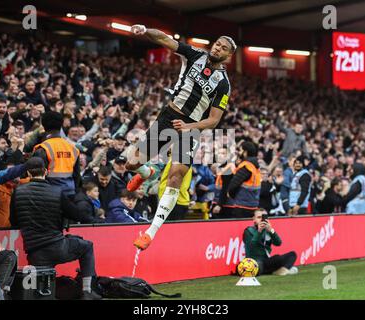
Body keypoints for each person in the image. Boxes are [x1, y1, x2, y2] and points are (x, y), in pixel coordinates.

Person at [125, 25, 235, 250]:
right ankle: (147, 172)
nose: (218, 48)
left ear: (228, 56)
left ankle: (150, 232)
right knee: (131, 163)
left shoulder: (223, 84)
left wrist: (189, 127)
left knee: (175, 177)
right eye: (217, 44)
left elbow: (214, 120)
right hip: (168, 117)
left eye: (223, 48)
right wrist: (145, 30)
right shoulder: (195, 54)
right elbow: (164, 39)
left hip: (191, 129)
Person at [9, 157, 101, 300]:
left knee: (39, 295)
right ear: (46, 171)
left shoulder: (18, 191)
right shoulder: (56, 191)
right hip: (59, 246)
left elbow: (13, 221)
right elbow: (75, 214)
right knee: (87, 246)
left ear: (27, 173)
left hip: (35, 253)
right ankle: (87, 291)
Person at [32, 111, 80, 196]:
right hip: (70, 194)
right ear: (61, 125)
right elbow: (77, 177)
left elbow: (37, 179)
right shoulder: (74, 149)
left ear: (43, 126)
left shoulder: (43, 148)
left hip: (49, 196)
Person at [243, 209, 298, 276]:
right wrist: (259, 231)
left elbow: (278, 243)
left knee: (292, 254)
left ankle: (282, 270)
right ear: (254, 219)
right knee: (256, 265)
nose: (261, 220)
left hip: (267, 262)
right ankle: (282, 270)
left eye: (264, 217)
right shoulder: (248, 231)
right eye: (259, 217)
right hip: (254, 262)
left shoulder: (268, 231)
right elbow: (252, 245)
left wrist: (271, 230)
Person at [225, 141, 261, 218]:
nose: (239, 152)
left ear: (245, 152)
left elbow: (234, 183)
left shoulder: (246, 166)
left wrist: (230, 193)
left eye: (241, 150)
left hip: (242, 205)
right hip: (253, 203)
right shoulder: (254, 165)